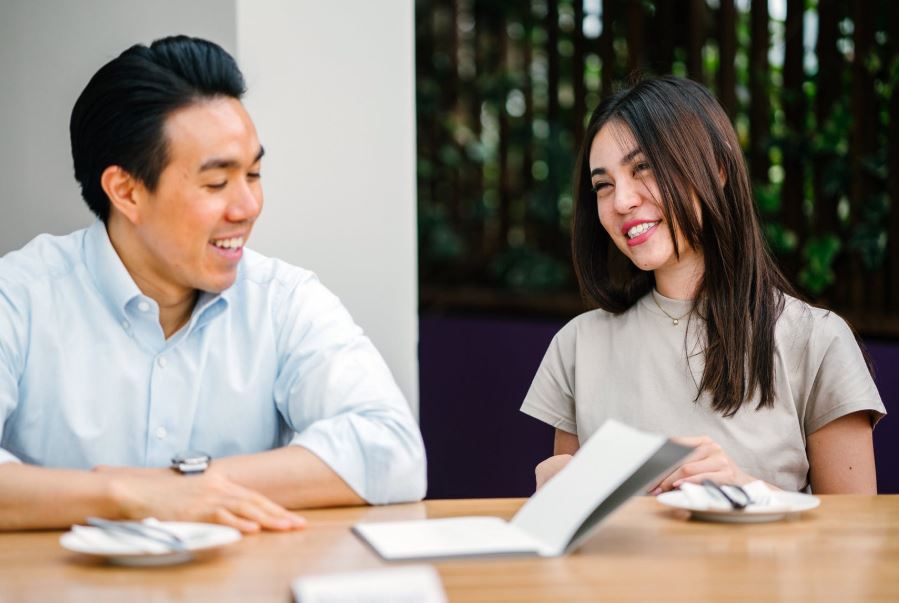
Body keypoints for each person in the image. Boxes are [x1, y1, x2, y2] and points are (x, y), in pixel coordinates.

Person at [0, 35, 426, 531]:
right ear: (126, 191)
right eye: (217, 183)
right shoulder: (21, 296)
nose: (247, 207)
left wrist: (185, 484)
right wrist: (126, 496)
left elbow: (392, 451)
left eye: (254, 174)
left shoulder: (283, 301)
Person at [521, 76, 885, 494]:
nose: (621, 201)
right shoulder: (577, 347)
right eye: (603, 185)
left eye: (644, 168)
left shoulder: (817, 341)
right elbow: (573, 541)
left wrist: (747, 492)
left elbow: (854, 547)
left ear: (718, 169)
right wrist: (556, 500)